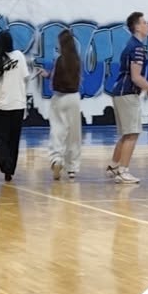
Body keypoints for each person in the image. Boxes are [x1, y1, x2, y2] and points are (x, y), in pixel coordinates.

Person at [107, 11, 148, 183]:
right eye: (145, 22)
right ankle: (123, 171)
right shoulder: (137, 48)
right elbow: (136, 77)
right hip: (127, 94)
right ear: (137, 27)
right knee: (132, 134)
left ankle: (113, 166)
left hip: (121, 93)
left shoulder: (132, 45)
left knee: (126, 134)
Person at [0, 28, 32, 181]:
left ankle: (4, 163)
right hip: (18, 105)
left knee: (1, 139)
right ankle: (10, 169)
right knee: (14, 140)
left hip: (1, 107)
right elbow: (25, 78)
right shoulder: (19, 56)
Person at [48, 28, 83, 181]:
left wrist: (48, 76)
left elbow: (54, 83)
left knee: (57, 130)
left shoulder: (59, 60)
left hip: (59, 98)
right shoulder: (76, 60)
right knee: (74, 134)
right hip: (74, 98)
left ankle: (56, 159)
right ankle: (72, 168)